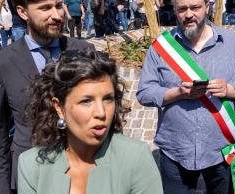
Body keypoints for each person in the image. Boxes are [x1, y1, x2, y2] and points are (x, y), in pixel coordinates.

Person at [137, 0, 235, 193]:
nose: (189, 14)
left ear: (207, 7)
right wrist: (178, 93)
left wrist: (229, 90)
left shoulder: (231, 42)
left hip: (222, 150)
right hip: (175, 151)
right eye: (182, 9)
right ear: (175, 11)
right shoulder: (160, 48)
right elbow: (144, 92)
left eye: (195, 7)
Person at [0, 0, 94, 194]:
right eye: (45, 8)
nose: (57, 15)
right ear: (22, 12)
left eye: (58, 5)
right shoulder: (1, 64)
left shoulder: (84, 51)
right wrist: (0, 188)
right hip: (32, 177)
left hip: (86, 171)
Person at [18, 50, 162, 194]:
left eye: (108, 99)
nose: (101, 112)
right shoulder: (32, 164)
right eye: (86, 101)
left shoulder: (136, 158)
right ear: (59, 107)